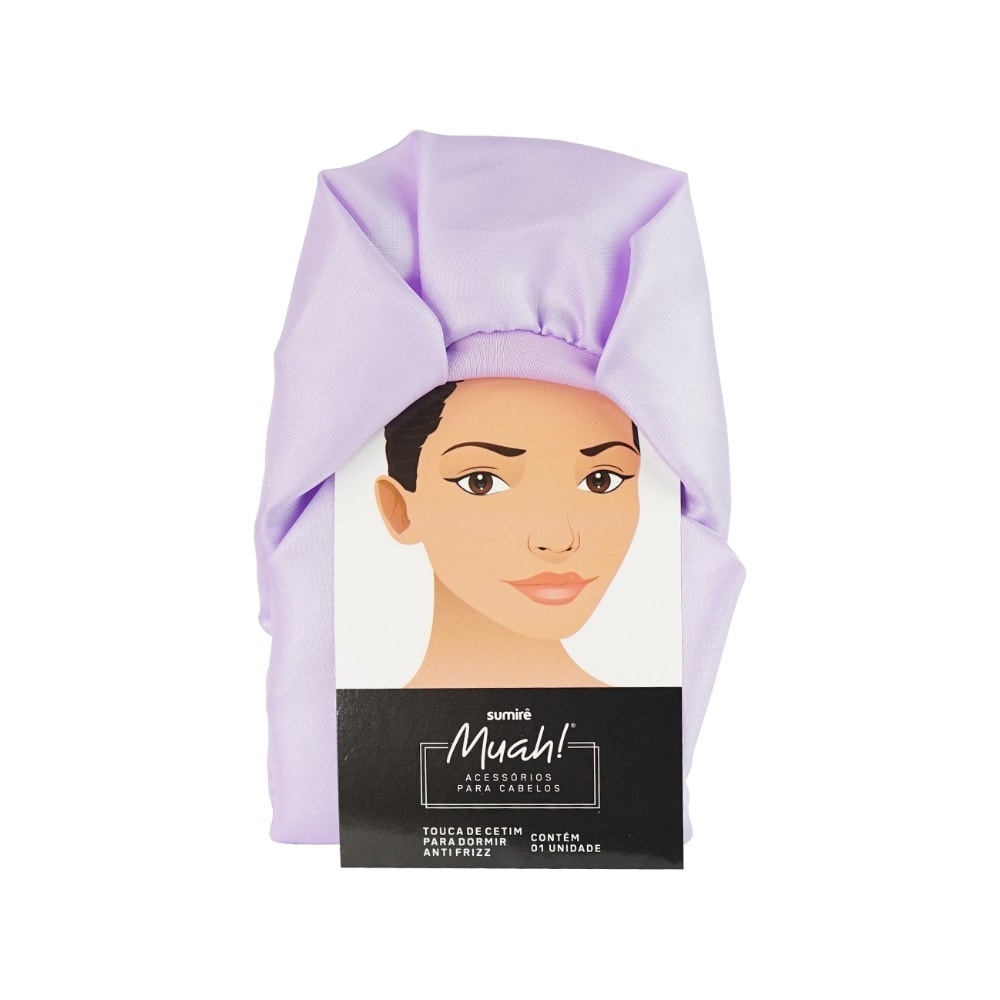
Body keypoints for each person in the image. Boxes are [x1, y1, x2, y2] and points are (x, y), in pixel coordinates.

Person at [374, 377, 641, 688]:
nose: (558, 540)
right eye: (482, 482)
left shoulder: (652, 716)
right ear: (399, 510)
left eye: (601, 480)